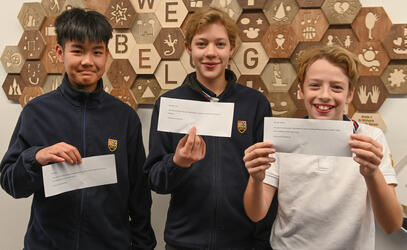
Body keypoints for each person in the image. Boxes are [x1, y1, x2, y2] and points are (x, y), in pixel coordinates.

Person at [0, 8, 156, 250]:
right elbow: (10, 183)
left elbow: (139, 195)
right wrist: (35, 157)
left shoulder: (125, 118)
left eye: (96, 52)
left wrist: (143, 245)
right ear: (60, 52)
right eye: (77, 51)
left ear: (107, 55)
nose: (87, 61)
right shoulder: (37, 112)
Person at [243, 45, 403, 249]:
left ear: (350, 94)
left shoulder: (371, 139)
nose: (325, 95)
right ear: (301, 90)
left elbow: (392, 225)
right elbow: (256, 214)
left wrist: (372, 173)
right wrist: (256, 179)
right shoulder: (281, 139)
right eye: (315, 85)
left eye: (337, 87)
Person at [144, 7, 276, 250]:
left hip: (243, 242)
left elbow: (269, 177)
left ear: (231, 48)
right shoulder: (170, 104)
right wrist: (178, 162)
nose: (211, 53)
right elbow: (155, 180)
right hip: (184, 242)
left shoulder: (255, 104)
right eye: (202, 44)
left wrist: (261, 241)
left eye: (220, 44)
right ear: (188, 49)